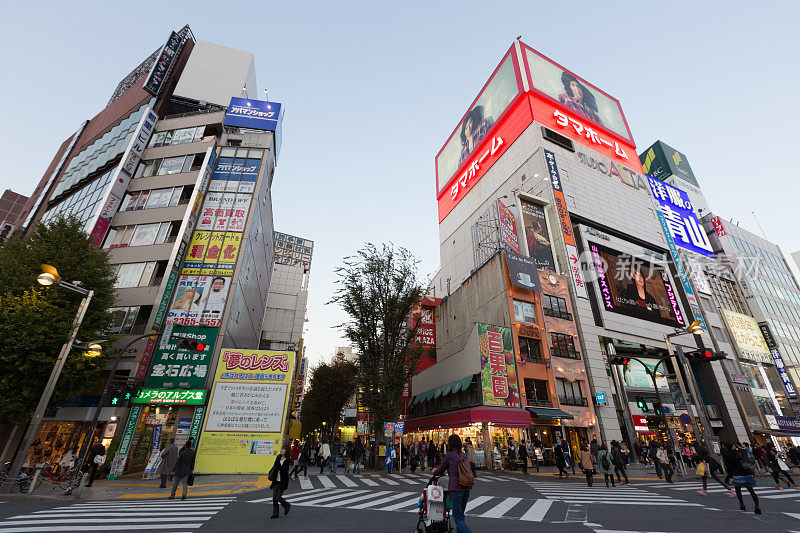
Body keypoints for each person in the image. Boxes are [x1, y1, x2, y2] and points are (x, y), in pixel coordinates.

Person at [431, 434, 472, 533]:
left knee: (457, 517)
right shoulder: (463, 454)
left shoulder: (449, 455)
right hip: (466, 487)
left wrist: (434, 471)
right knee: (461, 515)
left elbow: (441, 469)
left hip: (456, 488)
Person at [722, 442, 761, 514]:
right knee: (751, 490)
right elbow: (744, 462)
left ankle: (742, 504)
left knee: (738, 490)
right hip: (745, 473)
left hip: (736, 474)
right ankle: (757, 506)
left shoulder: (727, 455)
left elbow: (729, 467)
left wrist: (730, 477)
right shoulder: (738, 452)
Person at [268, 444, 292, 519]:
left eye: (284, 449)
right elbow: (275, 466)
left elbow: (283, 469)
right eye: (282, 449)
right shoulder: (278, 457)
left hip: (283, 481)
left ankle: (286, 505)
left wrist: (278, 462)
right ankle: (275, 513)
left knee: (278, 497)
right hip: (276, 480)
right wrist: (278, 461)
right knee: (274, 498)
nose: (282, 450)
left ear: (287, 451)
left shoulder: (288, 460)